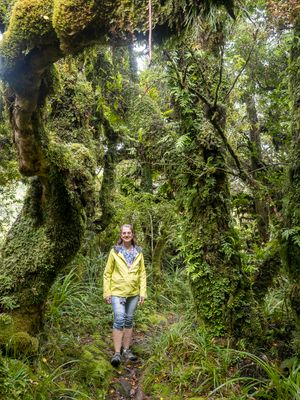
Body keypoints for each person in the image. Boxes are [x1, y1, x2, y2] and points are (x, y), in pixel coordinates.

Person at [103, 224, 147, 367]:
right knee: (119, 319)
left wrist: (142, 293)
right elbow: (107, 273)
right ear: (121, 235)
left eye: (129, 233)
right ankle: (117, 353)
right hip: (117, 292)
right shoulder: (115, 251)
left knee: (129, 320)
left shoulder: (138, 252)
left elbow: (142, 274)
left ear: (133, 235)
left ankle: (126, 350)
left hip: (133, 293)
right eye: (124, 233)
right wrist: (107, 292)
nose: (126, 235)